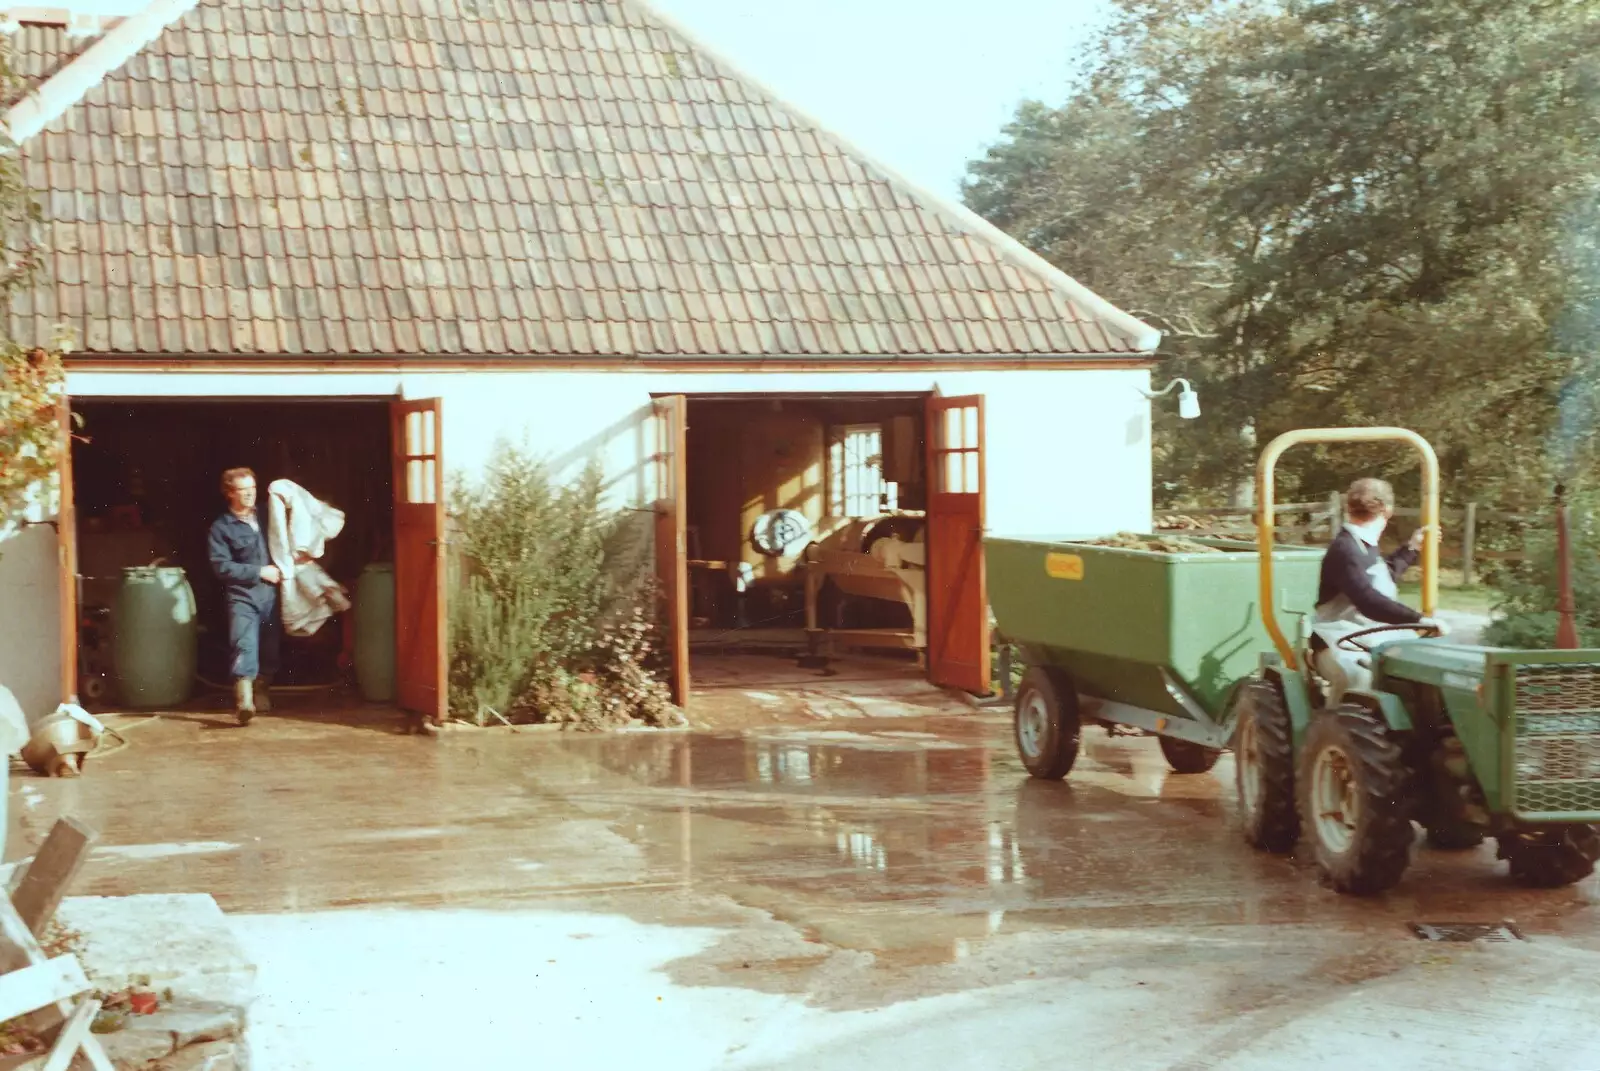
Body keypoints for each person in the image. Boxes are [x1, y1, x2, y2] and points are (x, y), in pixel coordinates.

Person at [1310, 477, 1448, 705]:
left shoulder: (1363, 546)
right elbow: (1367, 599)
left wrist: (1412, 548)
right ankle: (1331, 731)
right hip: (1338, 643)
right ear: (1388, 510)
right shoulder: (1345, 549)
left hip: (1371, 641)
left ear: (1348, 508)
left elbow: (1380, 577)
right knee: (1361, 679)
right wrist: (1419, 619)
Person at [207, 468, 281, 725]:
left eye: (253, 488)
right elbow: (221, 566)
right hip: (242, 595)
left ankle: (262, 689)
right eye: (243, 490)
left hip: (271, 594)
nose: (250, 494)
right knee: (244, 643)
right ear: (229, 493)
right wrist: (259, 571)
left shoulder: (267, 515)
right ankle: (244, 701)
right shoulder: (221, 528)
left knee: (270, 647)